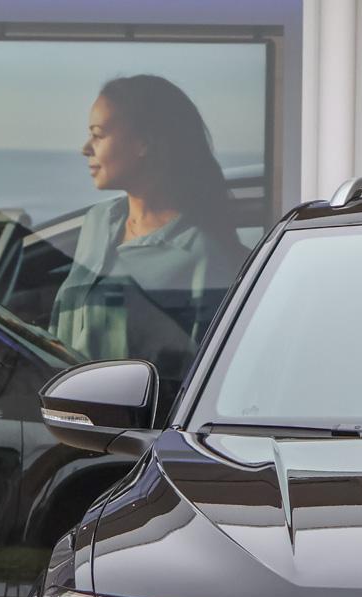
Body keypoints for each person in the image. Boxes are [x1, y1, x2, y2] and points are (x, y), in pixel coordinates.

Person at [50, 75, 245, 407]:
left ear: (143, 143)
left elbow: (199, 382)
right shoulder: (98, 222)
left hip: (122, 430)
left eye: (98, 135)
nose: (86, 149)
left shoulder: (201, 255)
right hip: (61, 417)